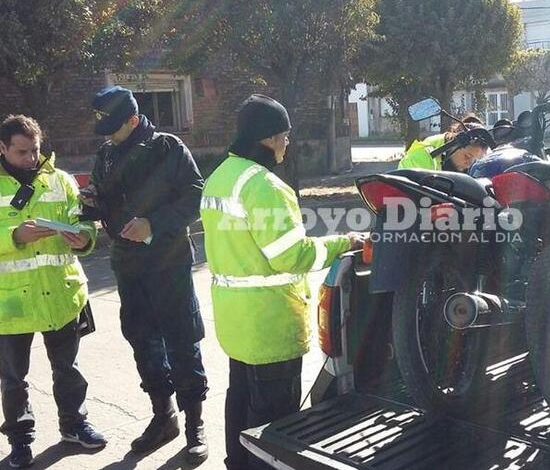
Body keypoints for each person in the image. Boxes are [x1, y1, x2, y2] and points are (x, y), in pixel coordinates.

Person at [200, 94, 364, 469]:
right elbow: (293, 255)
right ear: (269, 138)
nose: (288, 143)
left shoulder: (220, 177)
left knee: (239, 399)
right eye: (285, 136)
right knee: (273, 423)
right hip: (270, 323)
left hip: (236, 321)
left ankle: (237, 464)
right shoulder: (265, 186)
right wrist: (344, 242)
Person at [80, 86, 209, 464]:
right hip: (128, 265)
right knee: (142, 342)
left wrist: (153, 223)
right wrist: (90, 206)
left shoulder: (167, 148)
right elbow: (104, 199)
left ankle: (195, 425)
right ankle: (163, 416)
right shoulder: (106, 153)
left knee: (182, 342)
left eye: (114, 127)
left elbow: (195, 196)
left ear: (133, 120)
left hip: (168, 264)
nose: (108, 134)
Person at [0, 115, 106, 468]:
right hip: (10, 303)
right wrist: (15, 236)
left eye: (36, 150)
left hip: (61, 294)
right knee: (14, 380)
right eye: (22, 152)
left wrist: (84, 238)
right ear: (2, 148)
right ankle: (20, 442)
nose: (31, 158)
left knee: (68, 369)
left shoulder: (61, 181)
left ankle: (75, 426)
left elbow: (84, 222)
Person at [398, 113, 489, 172]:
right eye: (467, 156)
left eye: (475, 159)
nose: (470, 163)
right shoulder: (422, 156)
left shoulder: (464, 164)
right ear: (453, 142)